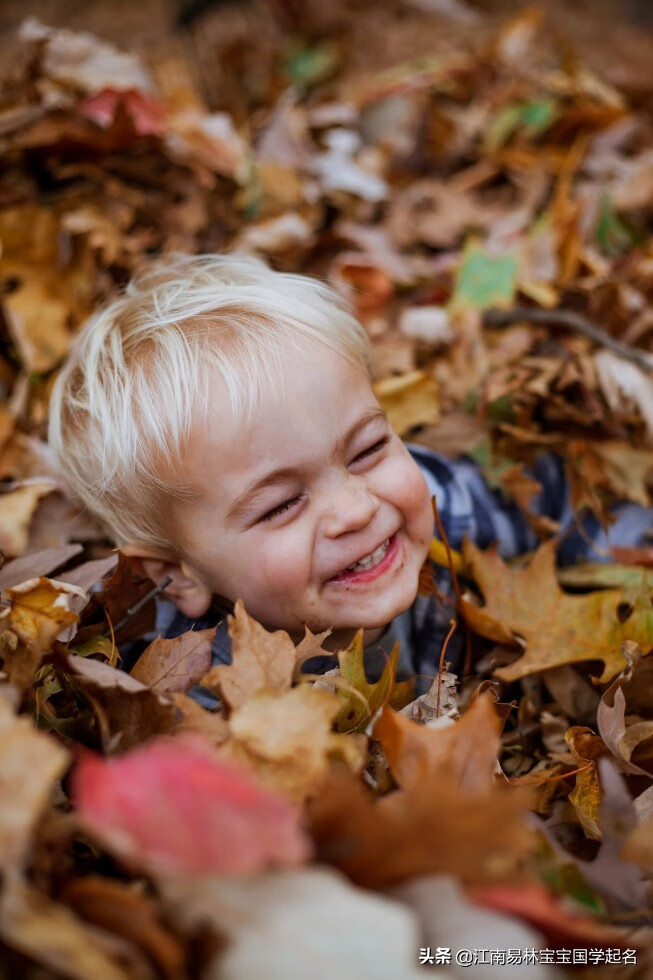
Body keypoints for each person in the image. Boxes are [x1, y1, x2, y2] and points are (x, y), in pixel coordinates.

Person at [48, 253, 653, 707]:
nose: (356, 508)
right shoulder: (190, 693)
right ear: (177, 577)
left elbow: (562, 500)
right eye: (282, 505)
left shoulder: (444, 504)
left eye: (365, 450)